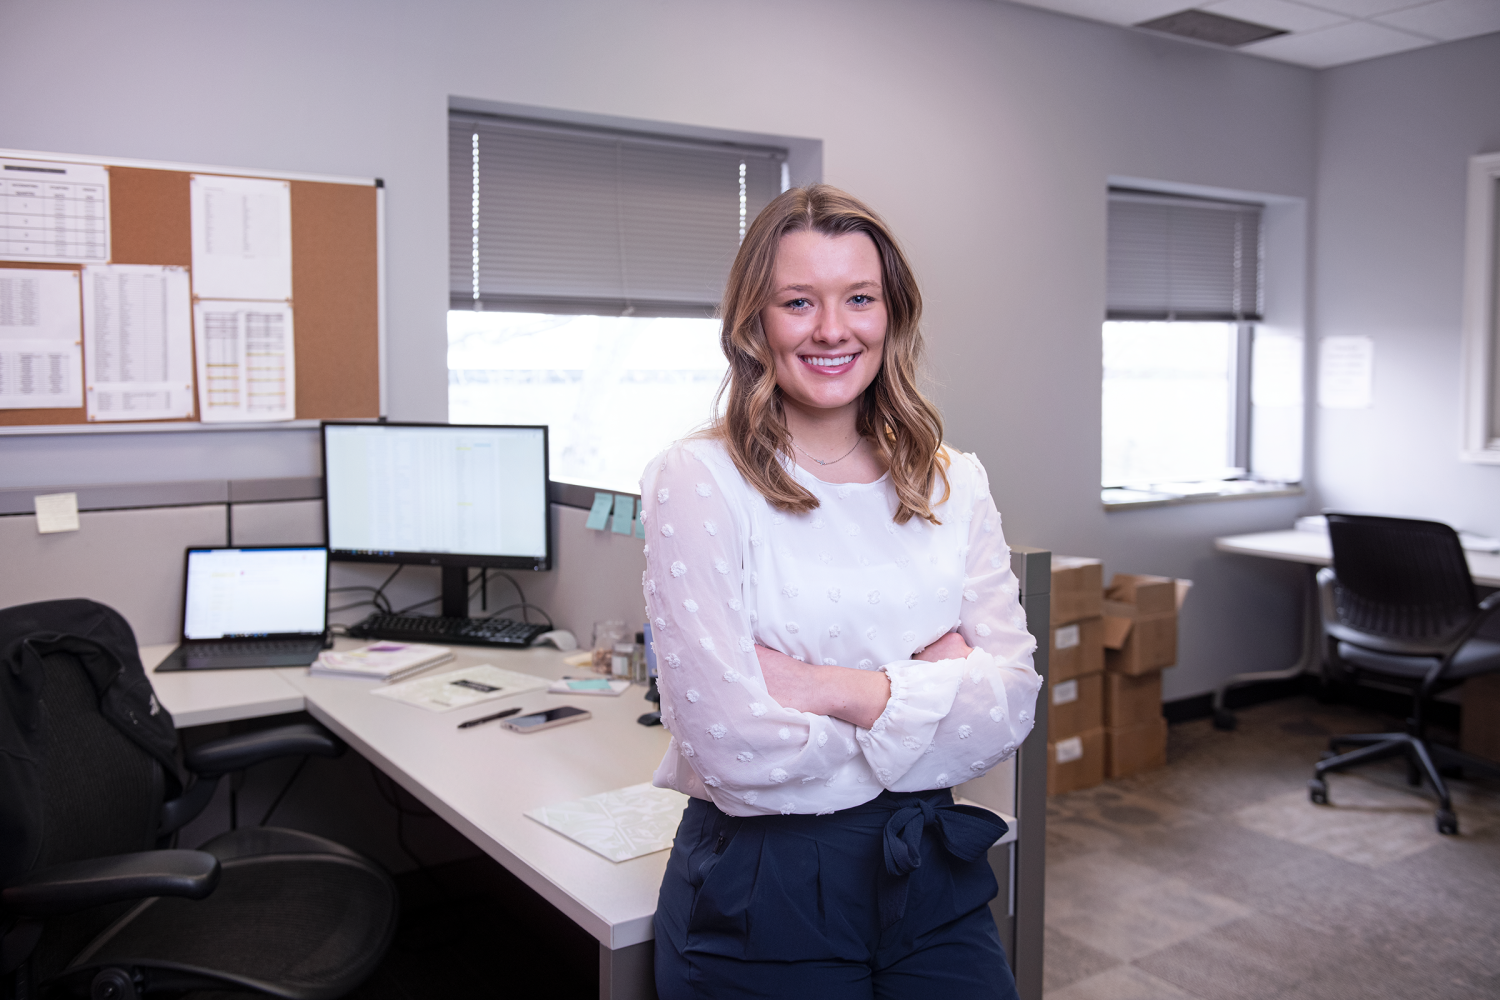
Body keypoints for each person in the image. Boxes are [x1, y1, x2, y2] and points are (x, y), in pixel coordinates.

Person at [642, 184, 1041, 999]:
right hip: (766, 883)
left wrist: (821, 687)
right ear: (755, 321)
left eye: (859, 298)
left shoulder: (952, 480)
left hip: (929, 862)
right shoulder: (700, 478)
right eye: (799, 302)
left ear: (891, 312)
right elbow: (731, 747)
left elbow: (1010, 708)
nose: (832, 329)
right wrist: (932, 689)